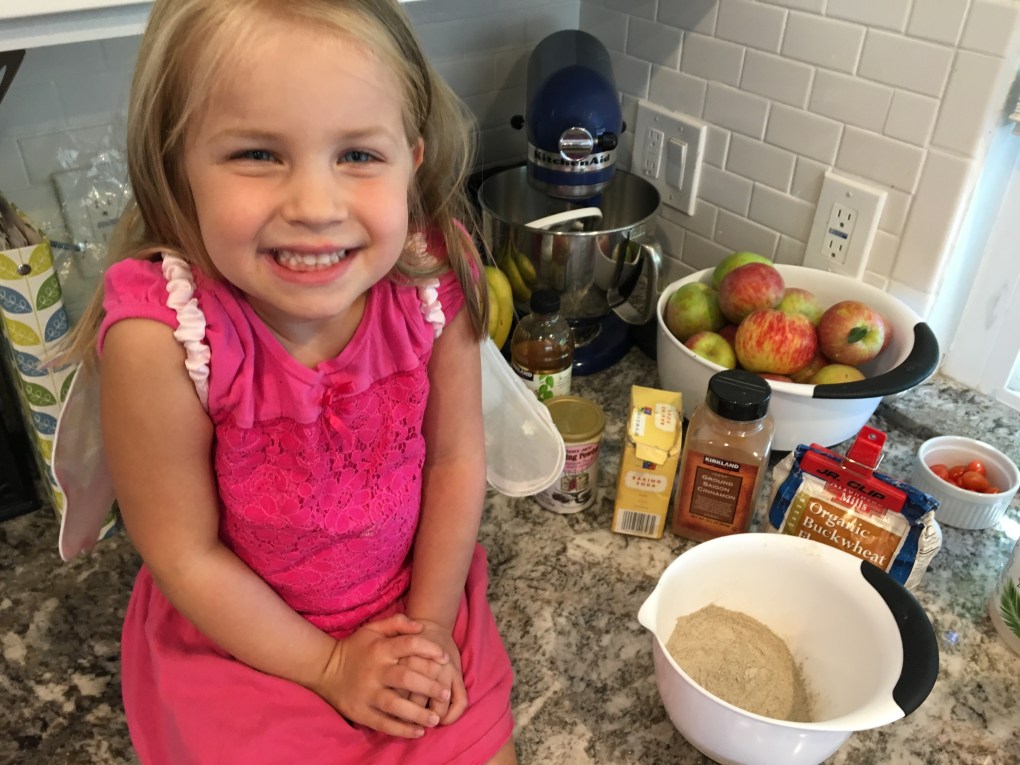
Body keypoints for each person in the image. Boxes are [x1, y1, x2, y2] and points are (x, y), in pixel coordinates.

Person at [58, 0, 516, 762]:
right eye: (258, 154)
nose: (314, 206)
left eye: (358, 154)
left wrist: (430, 629)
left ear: (413, 159)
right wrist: (329, 666)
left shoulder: (435, 276)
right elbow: (185, 554)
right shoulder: (165, 338)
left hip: (415, 593)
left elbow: (455, 460)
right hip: (247, 635)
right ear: (177, 169)